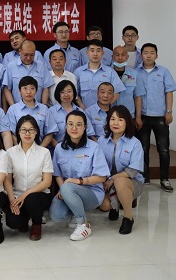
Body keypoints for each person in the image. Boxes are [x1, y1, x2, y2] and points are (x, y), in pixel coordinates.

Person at [49, 110, 110, 241]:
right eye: (70, 124)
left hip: (92, 192)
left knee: (68, 188)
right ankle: (76, 213)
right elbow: (57, 174)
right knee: (56, 215)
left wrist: (79, 181)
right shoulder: (59, 148)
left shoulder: (94, 147)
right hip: (68, 189)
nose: (74, 128)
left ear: (85, 127)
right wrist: (63, 189)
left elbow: (102, 177)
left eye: (78, 124)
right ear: (66, 126)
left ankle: (83, 224)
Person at [3, 115, 53, 241]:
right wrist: (12, 199)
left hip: (39, 195)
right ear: (18, 132)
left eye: (31, 130)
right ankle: (24, 218)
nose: (27, 133)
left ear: (36, 132)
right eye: (23, 130)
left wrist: (25, 195)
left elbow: (47, 182)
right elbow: (7, 180)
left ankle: (37, 224)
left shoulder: (44, 152)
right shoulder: (10, 153)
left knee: (32, 199)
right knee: (13, 223)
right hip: (17, 194)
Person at [98, 106, 144, 234]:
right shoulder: (101, 141)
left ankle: (128, 218)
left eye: (120, 120)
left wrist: (112, 179)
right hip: (106, 181)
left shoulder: (135, 143)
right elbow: (97, 164)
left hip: (131, 181)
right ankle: (115, 207)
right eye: (112, 119)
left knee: (120, 182)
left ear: (127, 122)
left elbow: (133, 171)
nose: (115, 123)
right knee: (105, 206)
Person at [136, 43, 176, 191]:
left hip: (160, 116)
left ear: (156, 55)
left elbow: (169, 92)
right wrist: (137, 116)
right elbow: (136, 96)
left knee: (163, 149)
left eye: (152, 53)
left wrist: (169, 111)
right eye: (145, 52)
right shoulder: (135, 72)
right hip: (143, 116)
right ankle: (144, 177)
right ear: (141, 55)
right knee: (143, 148)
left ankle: (164, 179)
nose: (148, 55)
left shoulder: (164, 71)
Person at [5, 76, 57, 150]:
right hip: (20, 150)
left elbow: (50, 133)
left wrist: (40, 150)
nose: (28, 92)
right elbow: (12, 134)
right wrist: (20, 149)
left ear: (36, 91)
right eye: (25, 88)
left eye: (32, 88)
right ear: (19, 90)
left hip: (40, 149)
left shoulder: (44, 109)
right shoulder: (13, 109)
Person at [74, 40, 125, 109]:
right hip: (84, 111)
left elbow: (117, 92)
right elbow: (75, 93)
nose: (95, 54)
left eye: (98, 51)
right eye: (92, 50)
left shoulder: (110, 72)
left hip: (104, 111)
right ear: (87, 53)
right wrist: (83, 108)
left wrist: (106, 106)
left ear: (102, 53)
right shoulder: (78, 72)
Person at [3, 40, 52, 108]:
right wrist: (13, 107)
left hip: (37, 109)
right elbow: (6, 88)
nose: (28, 58)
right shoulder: (11, 66)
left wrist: (43, 106)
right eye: (26, 55)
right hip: (18, 109)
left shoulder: (41, 66)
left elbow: (46, 87)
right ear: (20, 51)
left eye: (32, 55)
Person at [49, 80, 94, 147]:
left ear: (74, 93)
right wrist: (60, 149)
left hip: (80, 148)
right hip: (59, 148)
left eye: (69, 91)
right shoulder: (51, 111)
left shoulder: (80, 111)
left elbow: (88, 133)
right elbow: (49, 135)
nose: (66, 95)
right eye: (62, 92)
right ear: (58, 94)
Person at [112, 45, 144, 125]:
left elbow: (138, 97)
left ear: (127, 57)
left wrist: (138, 117)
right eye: (117, 55)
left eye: (123, 55)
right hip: (111, 115)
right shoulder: (107, 73)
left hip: (129, 115)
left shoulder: (134, 74)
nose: (120, 58)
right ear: (113, 57)